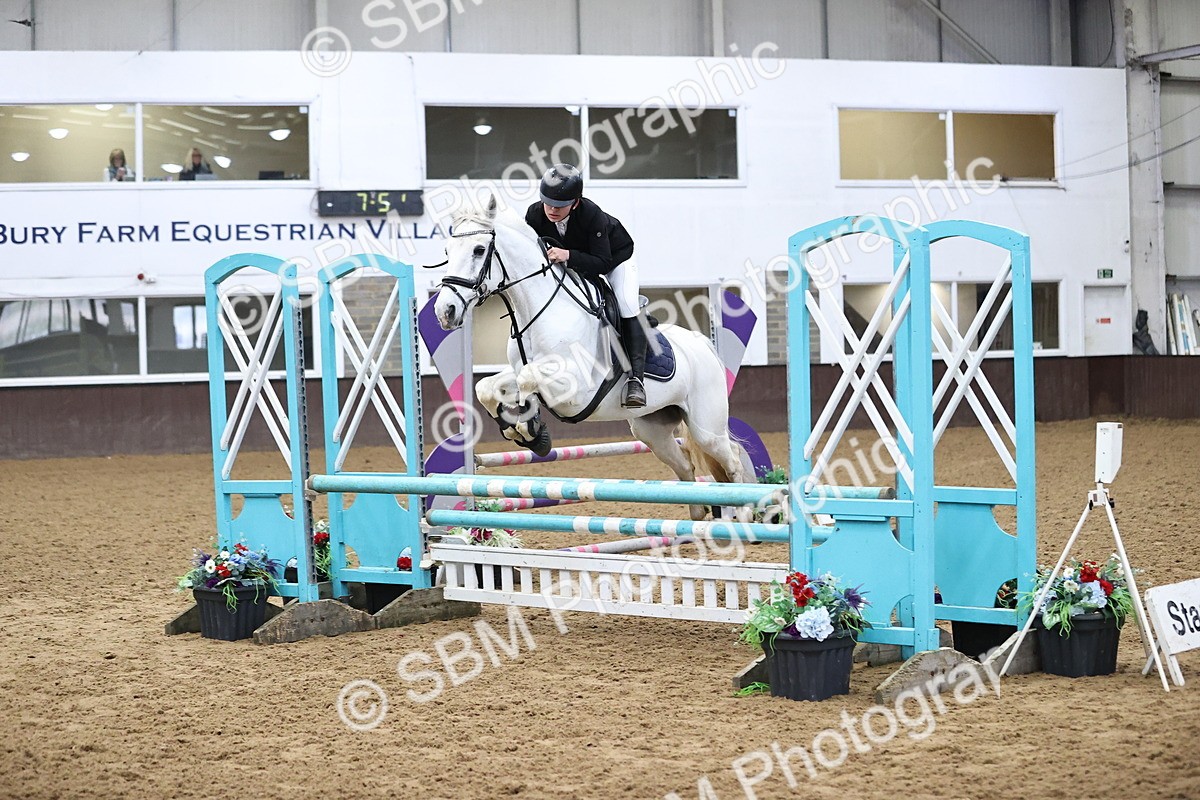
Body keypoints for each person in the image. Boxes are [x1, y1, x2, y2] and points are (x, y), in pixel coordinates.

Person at [524, 164, 646, 408]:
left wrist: (567, 254)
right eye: (547, 203)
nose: (552, 210)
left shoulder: (592, 214)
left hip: (615, 259)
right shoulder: (535, 215)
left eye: (559, 206)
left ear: (576, 202)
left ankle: (636, 380)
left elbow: (602, 263)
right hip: (571, 260)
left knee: (626, 304)